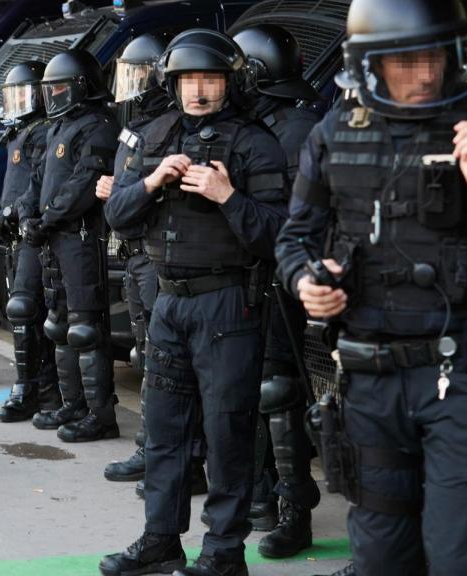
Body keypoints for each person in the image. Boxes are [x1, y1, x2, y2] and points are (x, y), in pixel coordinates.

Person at [276, 1, 467, 574]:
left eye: (434, 57)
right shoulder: (334, 133)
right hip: (370, 381)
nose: (424, 74)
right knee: (380, 556)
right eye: (406, 61)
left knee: (463, 556)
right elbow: (294, 239)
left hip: (460, 377)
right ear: (372, 65)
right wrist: (307, 282)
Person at [99, 29, 289, 576]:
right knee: (164, 430)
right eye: (188, 81)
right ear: (173, 84)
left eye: (210, 80)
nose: (199, 92)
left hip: (228, 304)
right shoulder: (154, 135)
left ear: (230, 84)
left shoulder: (254, 143)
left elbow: (280, 235)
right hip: (168, 301)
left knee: (227, 433)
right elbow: (117, 215)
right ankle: (160, 540)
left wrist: (228, 197)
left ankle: (224, 553)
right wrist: (153, 181)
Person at [232, 22, 324, 558]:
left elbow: (295, 218)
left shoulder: (294, 128)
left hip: (280, 277)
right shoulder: (257, 122)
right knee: (248, 387)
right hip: (244, 276)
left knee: (278, 391)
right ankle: (260, 494)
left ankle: (295, 510)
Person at [21, 49, 120, 442]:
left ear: (81, 86)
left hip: (79, 236)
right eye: (50, 88)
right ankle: (73, 404)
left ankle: (101, 415)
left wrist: (46, 219)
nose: (53, 95)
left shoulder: (99, 126)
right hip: (52, 237)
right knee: (59, 325)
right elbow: (38, 178)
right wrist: (29, 214)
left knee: (85, 328)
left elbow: (83, 185)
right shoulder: (57, 126)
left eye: (60, 87)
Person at [99, 33, 169, 479]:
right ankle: (152, 448)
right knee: (144, 355)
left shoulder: (165, 127)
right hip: (134, 253)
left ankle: (161, 453)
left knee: (161, 361)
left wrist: (120, 194)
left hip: (153, 254)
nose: (133, 86)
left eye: (139, 75)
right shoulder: (138, 126)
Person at [0, 61, 60, 422]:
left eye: (24, 94)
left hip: (34, 229)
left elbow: (39, 183)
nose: (18, 102)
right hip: (16, 230)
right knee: (23, 310)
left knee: (27, 309)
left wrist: (17, 211)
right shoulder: (21, 132)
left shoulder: (43, 131)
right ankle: (34, 388)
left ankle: (38, 392)